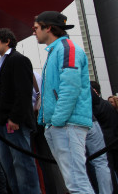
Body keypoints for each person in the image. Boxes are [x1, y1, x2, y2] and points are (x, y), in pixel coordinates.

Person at [34, 11, 94, 193]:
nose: (34, 32)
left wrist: (57, 121)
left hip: (67, 124)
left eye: (36, 28)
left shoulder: (67, 49)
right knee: (74, 181)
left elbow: (70, 87)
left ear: (49, 28)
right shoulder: (60, 50)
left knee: (76, 182)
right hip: (62, 124)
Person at [0, 28, 41, 194]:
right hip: (4, 124)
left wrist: (15, 118)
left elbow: (24, 92)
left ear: (7, 41)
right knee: (9, 166)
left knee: (23, 166)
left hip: (14, 123)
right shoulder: (4, 62)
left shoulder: (19, 60)